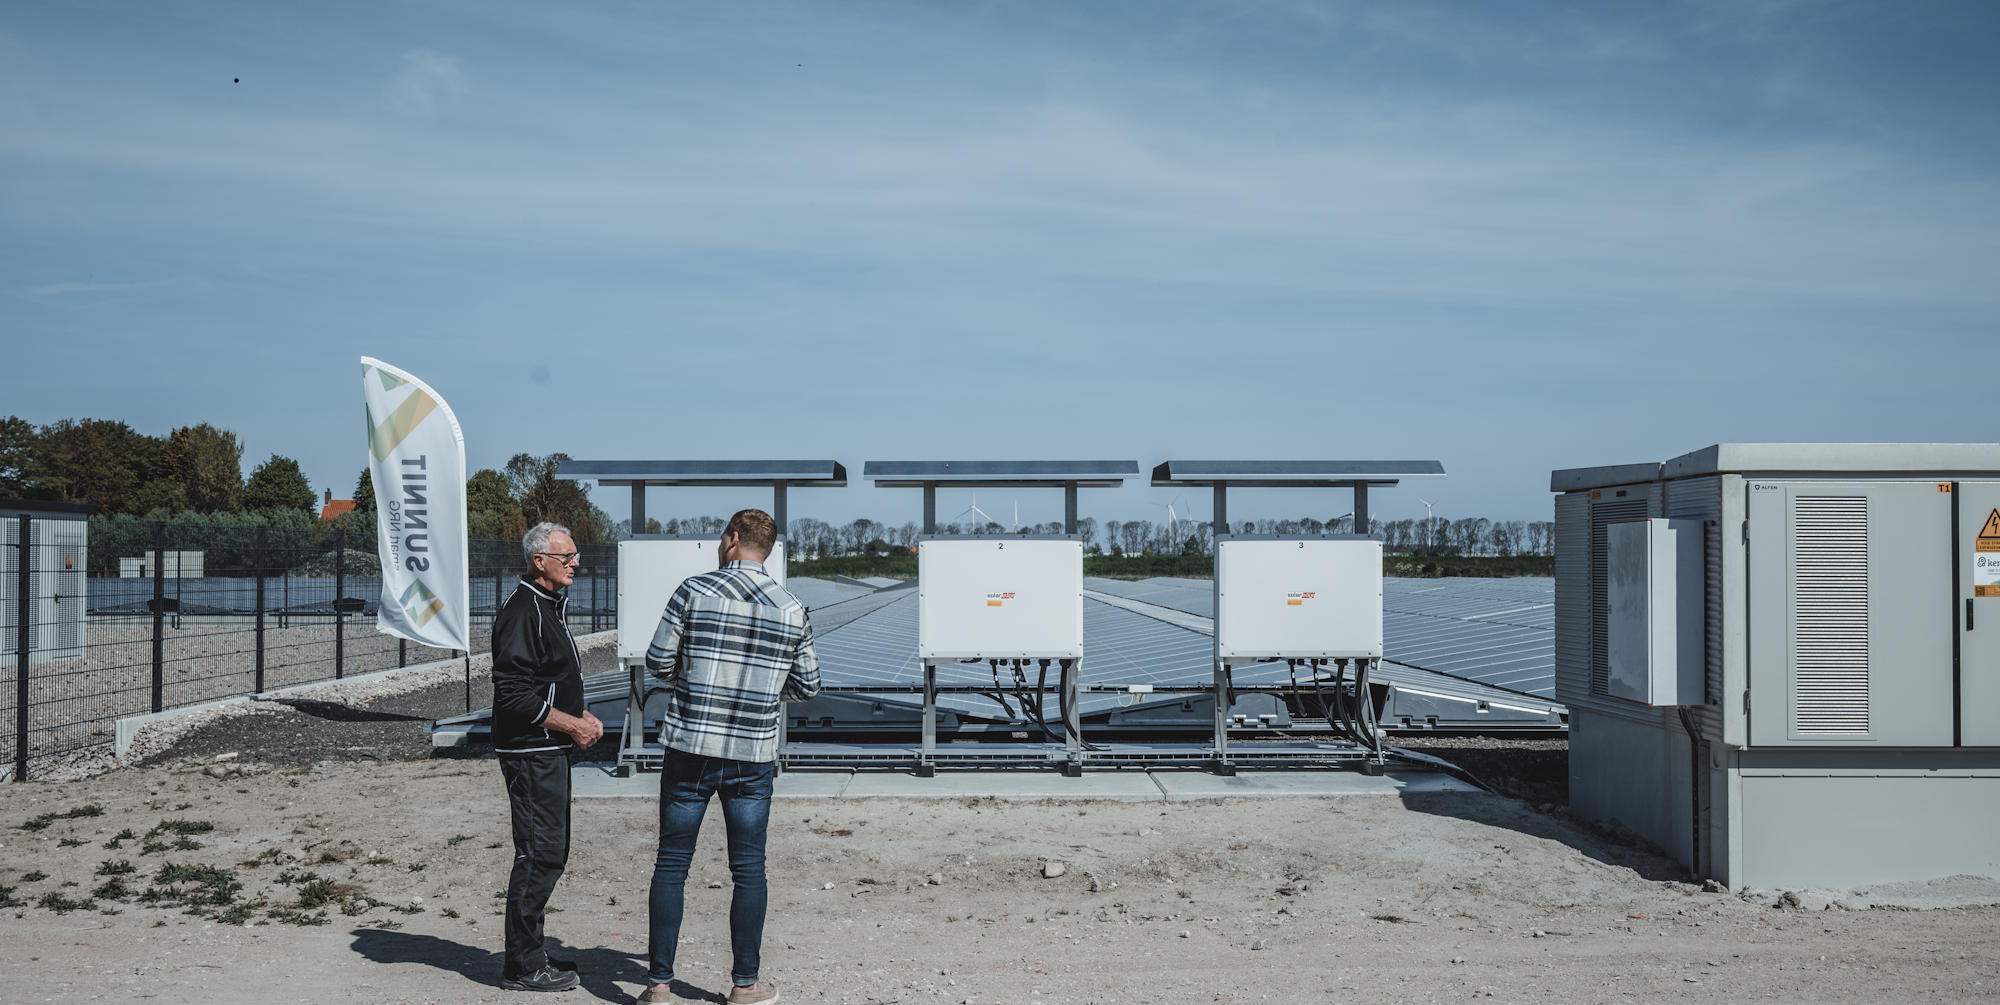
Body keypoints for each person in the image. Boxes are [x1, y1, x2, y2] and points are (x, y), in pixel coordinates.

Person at [640, 508, 819, 1005]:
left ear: (733, 539)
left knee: (672, 864)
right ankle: (746, 986)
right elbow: (808, 687)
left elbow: (656, 662)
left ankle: (658, 987)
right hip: (752, 754)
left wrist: (699, 682)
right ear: (770, 548)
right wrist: (762, 687)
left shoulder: (692, 592)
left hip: (690, 747)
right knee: (749, 869)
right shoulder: (792, 608)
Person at [491, 521, 604, 993]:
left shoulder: (548, 606)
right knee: (540, 853)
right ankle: (522, 965)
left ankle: (530, 949)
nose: (576, 562)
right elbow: (513, 695)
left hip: (548, 749)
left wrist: (579, 712)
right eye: (568, 556)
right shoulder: (523, 612)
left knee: (549, 850)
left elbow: (547, 680)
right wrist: (572, 723)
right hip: (531, 752)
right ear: (540, 562)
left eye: (575, 555)